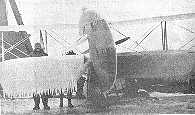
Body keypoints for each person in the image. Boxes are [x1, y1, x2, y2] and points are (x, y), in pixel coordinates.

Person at [30, 43, 48, 110]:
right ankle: (37, 105)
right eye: (36, 47)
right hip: (35, 75)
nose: (37, 48)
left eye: (38, 47)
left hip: (43, 76)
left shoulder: (45, 55)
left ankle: (45, 105)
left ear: (40, 47)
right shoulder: (31, 55)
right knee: (36, 92)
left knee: (44, 92)